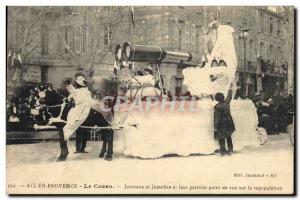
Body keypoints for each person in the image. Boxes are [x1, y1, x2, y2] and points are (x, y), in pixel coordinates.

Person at [214, 83, 235, 156]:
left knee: (221, 137)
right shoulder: (227, 103)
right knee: (228, 136)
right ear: (223, 97)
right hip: (228, 122)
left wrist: (215, 127)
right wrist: (230, 88)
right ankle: (230, 150)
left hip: (221, 124)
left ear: (216, 99)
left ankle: (222, 151)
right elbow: (229, 96)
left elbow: (217, 118)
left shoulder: (217, 107)